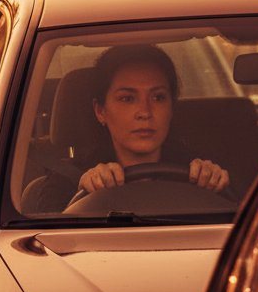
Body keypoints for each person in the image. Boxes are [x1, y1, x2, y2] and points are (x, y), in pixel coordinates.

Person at [73, 44, 229, 200]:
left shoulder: (203, 174)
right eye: (127, 98)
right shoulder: (69, 180)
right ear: (100, 111)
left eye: (158, 98)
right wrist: (81, 196)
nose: (145, 112)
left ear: (171, 108)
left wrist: (215, 184)